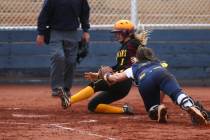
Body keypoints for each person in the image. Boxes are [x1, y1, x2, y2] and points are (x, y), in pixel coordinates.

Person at [100, 47, 209, 125]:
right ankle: (189, 105)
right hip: (162, 73)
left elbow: (116, 78)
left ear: (138, 58)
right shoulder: (158, 62)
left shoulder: (133, 68)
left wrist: (106, 75)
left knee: (152, 110)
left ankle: (156, 109)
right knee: (177, 93)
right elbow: (162, 89)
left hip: (145, 79)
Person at [60, 19, 148, 113]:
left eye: (119, 33)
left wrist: (139, 42)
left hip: (122, 80)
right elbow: (118, 66)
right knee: (93, 106)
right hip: (121, 84)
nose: (116, 35)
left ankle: (69, 101)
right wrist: (98, 74)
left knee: (94, 84)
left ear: (126, 33)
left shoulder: (133, 43)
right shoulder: (124, 47)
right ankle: (124, 110)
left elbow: (139, 48)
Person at [36, 0, 90, 98]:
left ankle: (66, 88)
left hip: (72, 32)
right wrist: (41, 33)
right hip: (55, 32)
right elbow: (44, 15)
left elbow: (84, 12)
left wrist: (86, 30)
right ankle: (56, 89)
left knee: (71, 61)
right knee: (58, 56)